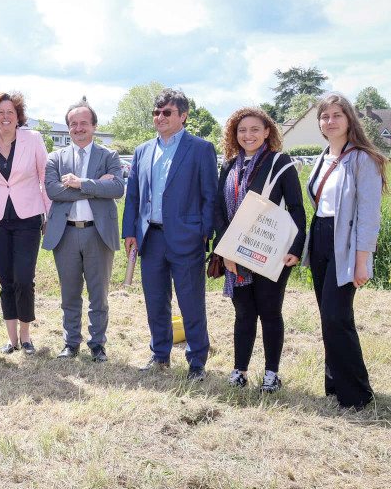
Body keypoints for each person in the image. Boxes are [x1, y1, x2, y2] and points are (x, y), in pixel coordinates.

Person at [121, 88, 218, 381]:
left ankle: (197, 361)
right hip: (151, 238)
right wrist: (130, 232)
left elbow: (209, 196)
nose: (160, 117)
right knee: (155, 301)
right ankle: (160, 354)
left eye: (167, 112)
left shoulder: (201, 148)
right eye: (156, 112)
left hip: (187, 238)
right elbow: (133, 196)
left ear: (183, 116)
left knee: (190, 302)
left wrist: (203, 234)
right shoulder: (142, 150)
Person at [302, 93, 387, 410]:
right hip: (321, 236)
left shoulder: (364, 159)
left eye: (337, 115)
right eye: (324, 117)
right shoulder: (322, 157)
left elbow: (369, 216)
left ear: (349, 119)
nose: (330, 121)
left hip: (347, 242)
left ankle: (358, 396)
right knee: (327, 316)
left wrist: (362, 260)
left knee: (338, 317)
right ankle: (335, 385)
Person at [213, 108, 306, 392]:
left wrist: (296, 248)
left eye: (255, 129)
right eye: (242, 130)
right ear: (234, 134)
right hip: (235, 255)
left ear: (267, 132)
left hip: (271, 252)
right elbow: (219, 211)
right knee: (243, 314)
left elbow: (297, 209)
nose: (248, 135)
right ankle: (240, 370)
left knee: (269, 312)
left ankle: (271, 375)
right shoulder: (229, 165)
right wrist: (225, 251)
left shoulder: (282, 163)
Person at [43, 100, 125, 361]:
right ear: (68, 128)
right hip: (65, 233)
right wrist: (93, 187)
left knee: (98, 294)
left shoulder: (109, 156)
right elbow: (53, 191)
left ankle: (98, 344)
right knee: (70, 293)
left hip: (98, 233)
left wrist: (79, 184)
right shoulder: (56, 157)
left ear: (94, 126)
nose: (78, 128)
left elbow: (117, 190)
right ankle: (71, 343)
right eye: (73, 124)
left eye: (84, 123)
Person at [0, 92, 50, 355]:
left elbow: (45, 179)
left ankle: (26, 336)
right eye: (0, 113)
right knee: (5, 279)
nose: (5, 117)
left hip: (28, 218)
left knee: (24, 278)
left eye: (10, 113)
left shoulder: (34, 139)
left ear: (18, 117)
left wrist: (49, 216)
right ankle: (12, 339)